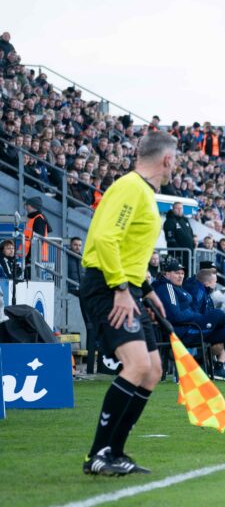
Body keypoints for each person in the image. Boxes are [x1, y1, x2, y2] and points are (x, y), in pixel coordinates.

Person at [78, 131, 177, 476]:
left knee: (152, 371)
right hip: (108, 286)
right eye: (174, 161)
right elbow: (107, 238)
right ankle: (98, 454)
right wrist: (121, 287)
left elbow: (129, 247)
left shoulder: (144, 193)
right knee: (135, 366)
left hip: (128, 287)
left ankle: (115, 452)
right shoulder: (130, 188)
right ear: (167, 160)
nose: (174, 167)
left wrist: (146, 289)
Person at [154, 261, 225, 381]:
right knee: (219, 314)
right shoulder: (167, 287)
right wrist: (198, 317)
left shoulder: (178, 288)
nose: (180, 276)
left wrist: (197, 316)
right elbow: (176, 316)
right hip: (183, 331)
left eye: (182, 273)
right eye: (177, 273)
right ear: (167, 274)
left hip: (192, 327)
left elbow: (185, 311)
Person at [162, 200, 195, 271]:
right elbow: (170, 240)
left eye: (181, 208)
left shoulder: (185, 220)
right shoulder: (169, 221)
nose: (180, 210)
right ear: (173, 209)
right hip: (178, 255)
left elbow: (191, 235)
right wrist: (181, 251)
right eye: (177, 208)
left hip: (189, 254)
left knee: (189, 274)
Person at [23, 196, 50, 280]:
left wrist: (31, 257)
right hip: (31, 257)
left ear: (31, 206)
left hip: (34, 258)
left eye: (27, 205)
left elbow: (37, 240)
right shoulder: (35, 218)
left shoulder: (39, 219)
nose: (26, 208)